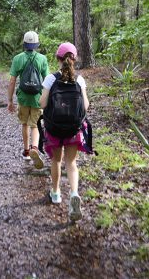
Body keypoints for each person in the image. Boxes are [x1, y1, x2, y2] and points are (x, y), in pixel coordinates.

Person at [39, 42, 90, 222]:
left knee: (56, 160)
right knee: (72, 163)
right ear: (74, 59)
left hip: (54, 128)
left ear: (58, 59)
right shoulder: (80, 80)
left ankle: (56, 193)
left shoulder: (50, 79)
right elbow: (85, 106)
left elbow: (43, 104)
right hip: (73, 129)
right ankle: (74, 194)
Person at [7, 31, 49, 167]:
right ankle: (35, 148)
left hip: (23, 97)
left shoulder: (18, 58)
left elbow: (12, 81)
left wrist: (10, 100)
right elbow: (47, 80)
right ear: (36, 44)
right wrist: (47, 99)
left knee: (24, 123)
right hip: (37, 97)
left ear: (24, 44)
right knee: (35, 124)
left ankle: (26, 151)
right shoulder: (42, 59)